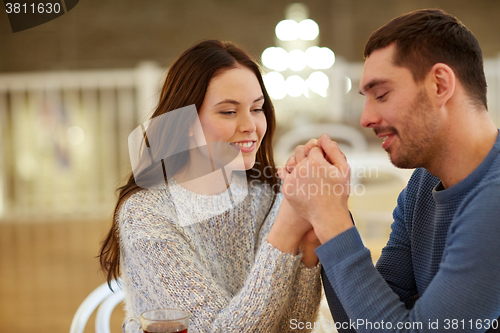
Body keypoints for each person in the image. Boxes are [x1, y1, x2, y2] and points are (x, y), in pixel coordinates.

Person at [280, 9, 500, 332]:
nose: (365, 118)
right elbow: (363, 324)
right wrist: (324, 215)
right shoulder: (423, 185)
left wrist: (332, 221)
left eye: (381, 95)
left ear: (440, 84)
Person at [98, 40, 322, 332]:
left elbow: (295, 326)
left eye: (257, 108)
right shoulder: (146, 214)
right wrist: (286, 231)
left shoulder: (267, 197)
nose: (251, 126)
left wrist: (308, 249)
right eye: (229, 112)